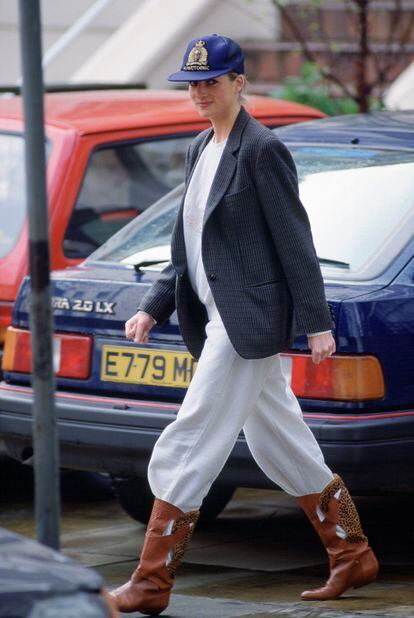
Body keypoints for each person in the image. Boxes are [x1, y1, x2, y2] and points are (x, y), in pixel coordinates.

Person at [109, 34, 378, 615]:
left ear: (240, 83)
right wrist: (154, 305)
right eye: (194, 83)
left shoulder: (262, 150)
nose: (201, 92)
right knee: (277, 439)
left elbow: (295, 242)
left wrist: (316, 321)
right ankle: (351, 553)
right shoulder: (200, 147)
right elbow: (187, 244)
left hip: (247, 322)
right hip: (215, 317)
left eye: (213, 81)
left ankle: (152, 582)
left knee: (192, 434)